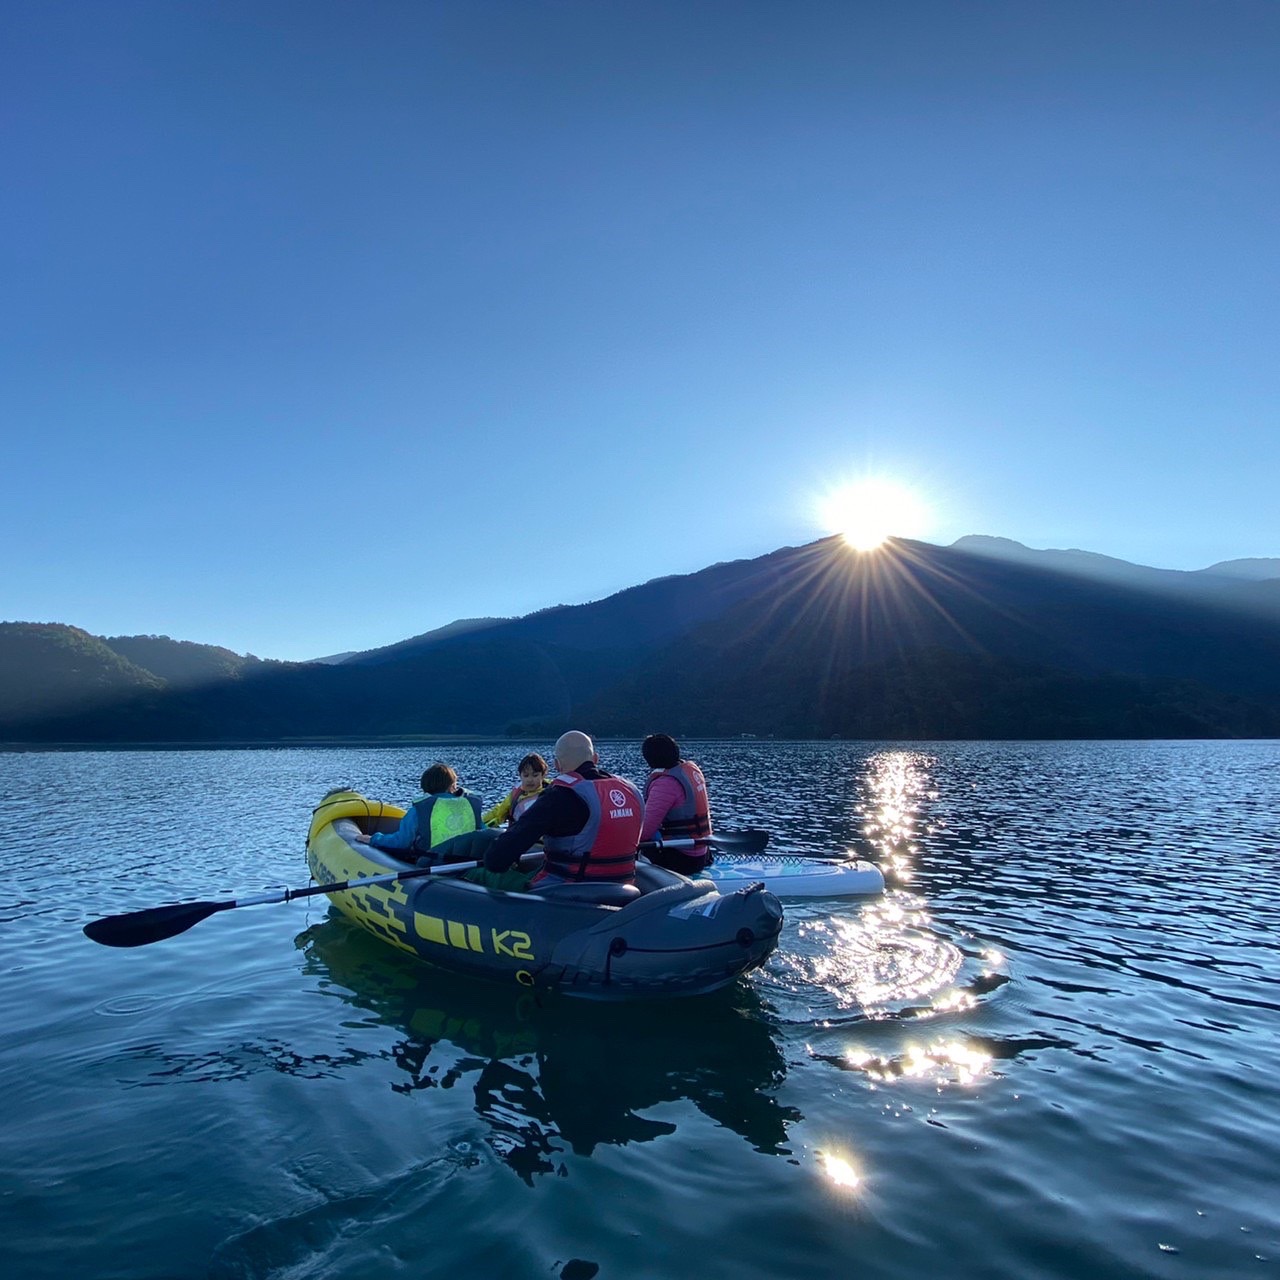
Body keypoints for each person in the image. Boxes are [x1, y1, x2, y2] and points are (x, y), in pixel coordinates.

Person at [473, 730, 644, 891]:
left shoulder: (559, 795)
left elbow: (496, 860)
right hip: (624, 885)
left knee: (477, 874)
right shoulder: (632, 791)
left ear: (557, 765)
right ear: (595, 759)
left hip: (567, 888)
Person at [355, 762, 483, 860]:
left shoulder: (419, 809)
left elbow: (401, 842)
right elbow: (483, 832)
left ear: (425, 786)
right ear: (452, 785)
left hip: (433, 863)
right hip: (466, 862)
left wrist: (373, 839)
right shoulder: (471, 805)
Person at [638, 733, 713, 875]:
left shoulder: (665, 784)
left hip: (683, 858)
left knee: (634, 849)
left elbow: (645, 831)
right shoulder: (690, 771)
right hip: (701, 852)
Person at [482, 753, 550, 828]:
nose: (530, 780)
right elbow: (498, 812)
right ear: (520, 775)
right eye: (526, 775)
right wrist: (480, 822)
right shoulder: (515, 795)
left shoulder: (552, 792)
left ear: (543, 775)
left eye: (535, 775)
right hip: (517, 835)